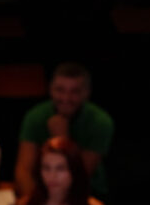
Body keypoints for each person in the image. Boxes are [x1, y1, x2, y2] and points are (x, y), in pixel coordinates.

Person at [15, 62, 113, 198]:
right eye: (60, 90)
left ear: (86, 93)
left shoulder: (100, 121)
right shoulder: (35, 117)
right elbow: (23, 171)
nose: (66, 98)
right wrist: (37, 204)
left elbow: (81, 175)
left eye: (74, 92)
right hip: (43, 192)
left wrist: (62, 138)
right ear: (50, 89)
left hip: (88, 193)